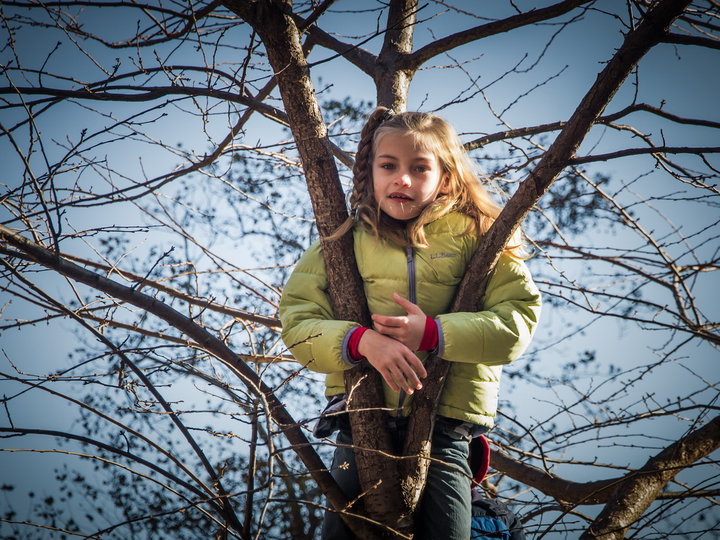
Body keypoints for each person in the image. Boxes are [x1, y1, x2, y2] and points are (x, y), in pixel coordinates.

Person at [279, 107, 541, 539]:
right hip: (360, 422)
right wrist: (361, 342)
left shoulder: (478, 236)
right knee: (340, 533)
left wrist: (436, 333)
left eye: (419, 168)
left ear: (446, 177)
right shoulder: (345, 238)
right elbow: (297, 320)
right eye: (389, 166)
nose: (402, 179)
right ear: (371, 172)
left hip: (444, 426)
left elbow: (516, 322)